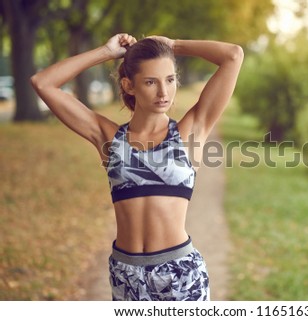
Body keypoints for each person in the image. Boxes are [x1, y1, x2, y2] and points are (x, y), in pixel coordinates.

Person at [30, 33, 244, 301]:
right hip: (126, 275)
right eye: (151, 82)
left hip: (180, 274)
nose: (163, 92)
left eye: (170, 80)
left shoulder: (191, 131)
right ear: (129, 86)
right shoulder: (109, 138)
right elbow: (43, 83)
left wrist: (174, 45)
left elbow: (233, 55)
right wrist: (105, 52)